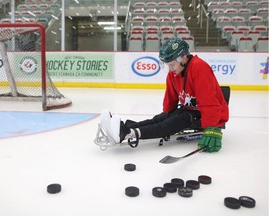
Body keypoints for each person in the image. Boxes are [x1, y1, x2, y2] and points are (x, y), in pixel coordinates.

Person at [97, 38, 229, 152]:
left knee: (174, 121)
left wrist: (211, 127)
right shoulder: (174, 74)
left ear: (183, 57)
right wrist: (166, 116)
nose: (170, 69)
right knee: (158, 120)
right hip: (189, 111)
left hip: (207, 115)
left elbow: (209, 101)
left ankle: (130, 133)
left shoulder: (199, 67)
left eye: (172, 65)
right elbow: (170, 99)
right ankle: (123, 128)